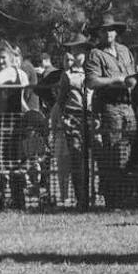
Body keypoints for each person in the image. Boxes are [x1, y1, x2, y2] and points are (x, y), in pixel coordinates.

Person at [85, 13, 138, 209]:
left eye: (111, 29)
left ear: (116, 31)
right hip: (109, 108)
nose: (108, 33)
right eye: (104, 29)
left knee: (134, 153)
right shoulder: (95, 54)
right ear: (99, 33)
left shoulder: (125, 51)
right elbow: (92, 81)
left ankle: (132, 200)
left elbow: (132, 75)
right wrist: (115, 81)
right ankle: (114, 201)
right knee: (114, 155)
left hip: (129, 107)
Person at [51, 33, 93, 208]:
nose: (77, 56)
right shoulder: (67, 75)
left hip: (92, 117)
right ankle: (81, 199)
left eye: (79, 52)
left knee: (95, 158)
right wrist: (59, 121)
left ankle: (96, 196)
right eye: (73, 52)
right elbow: (61, 100)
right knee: (77, 158)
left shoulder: (94, 71)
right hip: (73, 117)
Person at [0, 43, 29, 113]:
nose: (0, 61)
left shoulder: (11, 71)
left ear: (10, 58)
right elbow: (21, 101)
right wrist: (29, 112)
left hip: (8, 119)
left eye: (3, 57)